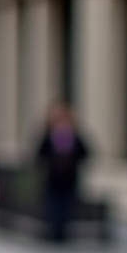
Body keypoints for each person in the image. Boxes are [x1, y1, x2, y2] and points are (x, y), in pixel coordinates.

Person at [34, 101, 90, 243]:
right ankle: (54, 232)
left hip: (68, 177)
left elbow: (85, 153)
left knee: (65, 206)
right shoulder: (49, 136)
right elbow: (39, 154)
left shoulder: (74, 136)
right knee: (54, 205)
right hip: (53, 177)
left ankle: (62, 233)